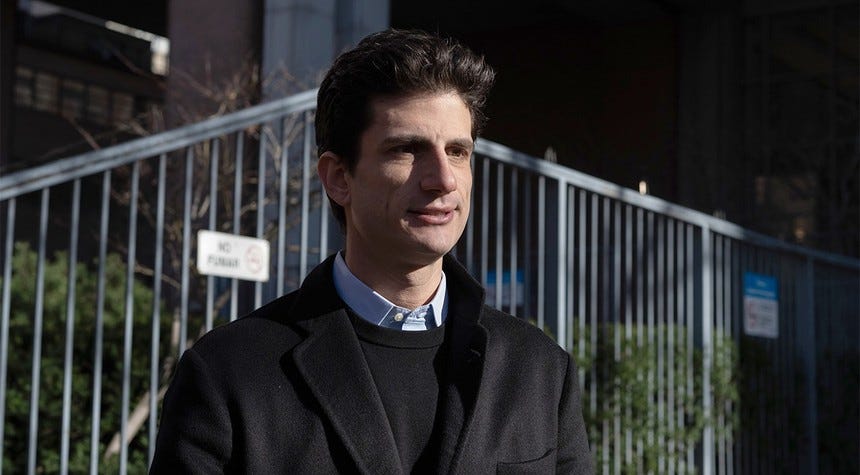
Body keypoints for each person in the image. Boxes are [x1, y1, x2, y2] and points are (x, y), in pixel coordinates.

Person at [151, 29, 592, 474]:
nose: (444, 179)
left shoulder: (540, 370)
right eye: (407, 149)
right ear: (338, 178)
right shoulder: (228, 374)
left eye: (458, 151)